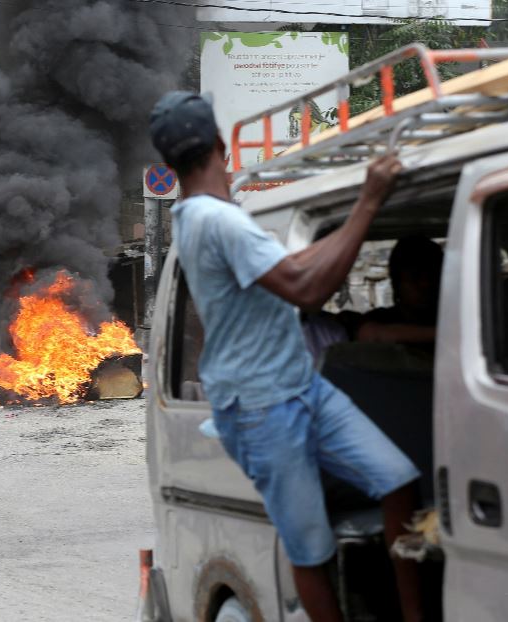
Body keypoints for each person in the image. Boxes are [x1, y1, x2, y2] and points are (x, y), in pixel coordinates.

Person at [150, 91, 422, 622]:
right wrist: (368, 201)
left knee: (398, 480)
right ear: (221, 145)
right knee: (311, 550)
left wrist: (342, 228)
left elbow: (290, 267)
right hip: (261, 410)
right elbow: (306, 288)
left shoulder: (202, 216)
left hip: (302, 386)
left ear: (168, 164)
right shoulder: (217, 221)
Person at [353, 235, 443, 345]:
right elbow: (370, 335)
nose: (425, 285)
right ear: (397, 283)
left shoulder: (454, 318)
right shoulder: (381, 319)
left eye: (432, 276)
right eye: (415, 277)